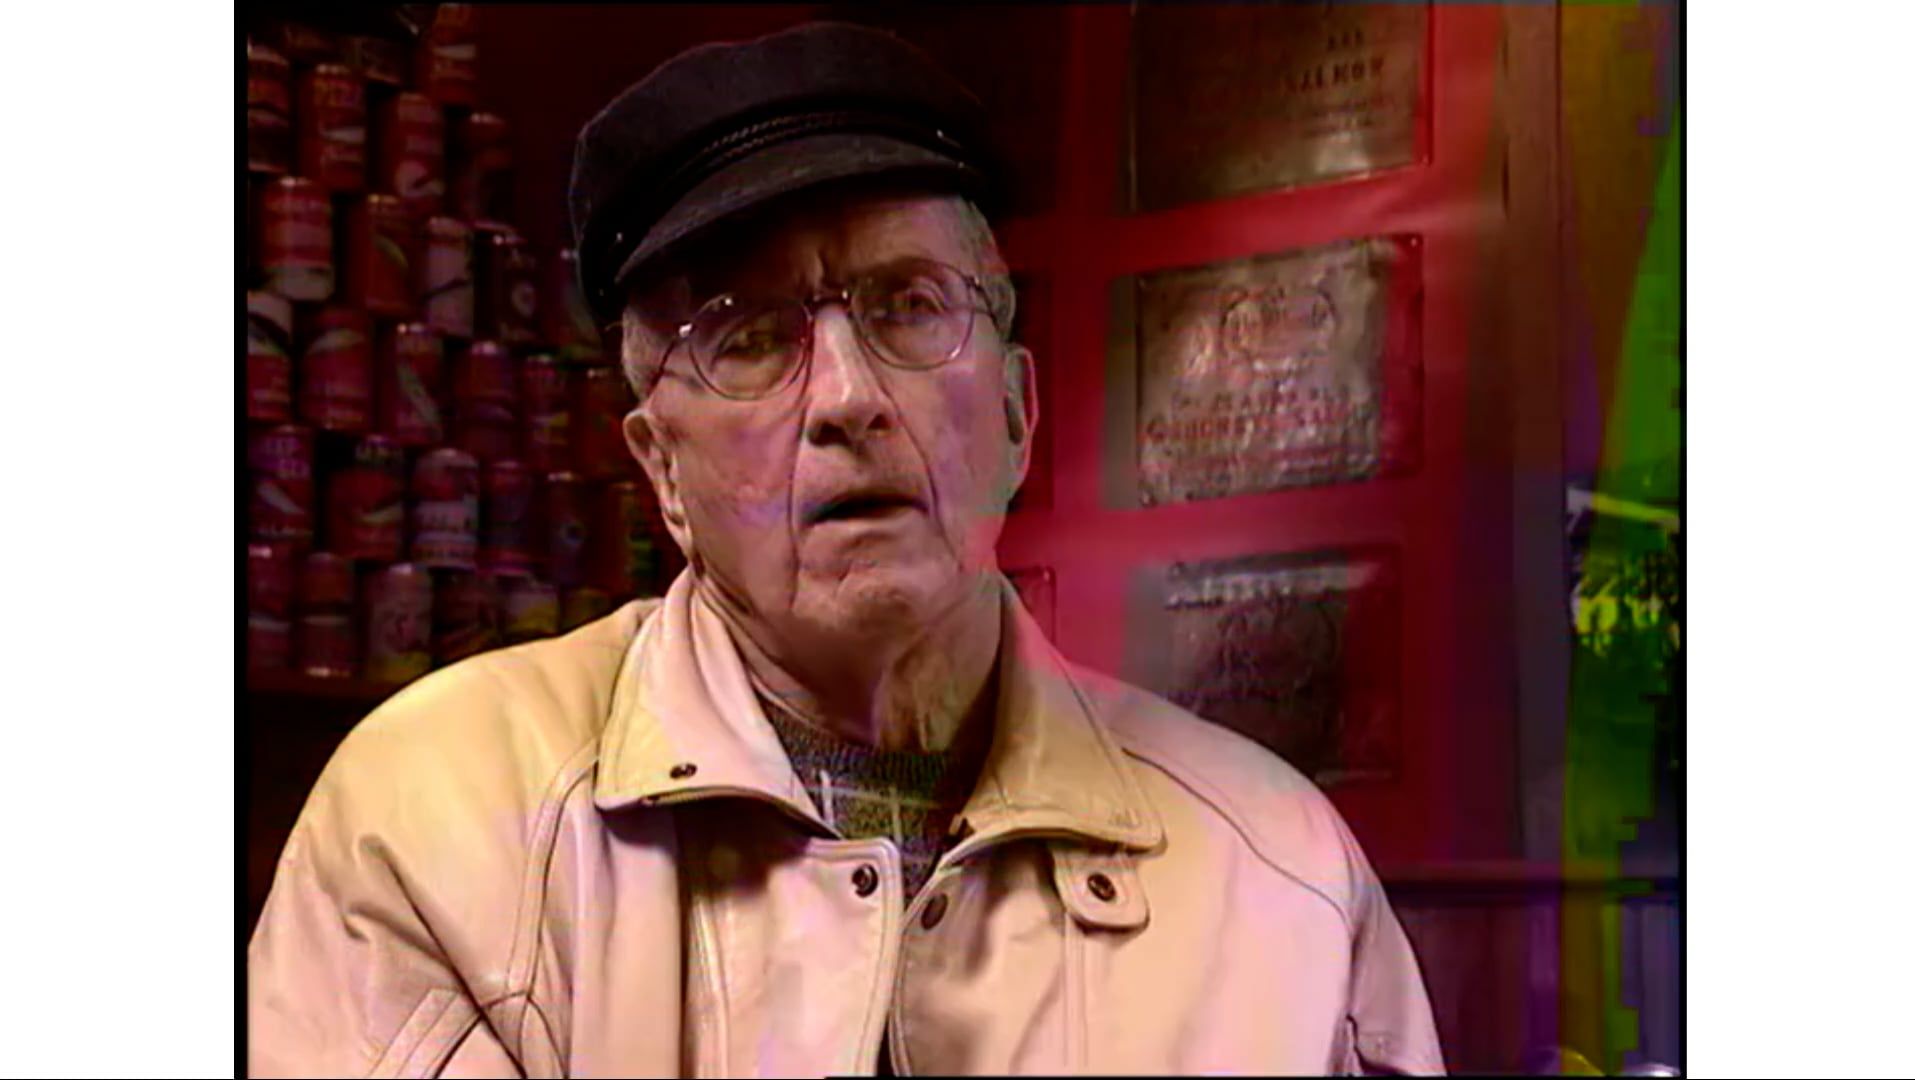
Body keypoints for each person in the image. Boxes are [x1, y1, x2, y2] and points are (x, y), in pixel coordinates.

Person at [247, 22, 1443, 1077]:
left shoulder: (1277, 873)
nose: (849, 397)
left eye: (911, 306)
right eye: (751, 338)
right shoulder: (437, 821)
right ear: (661, 468)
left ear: (1019, 413)